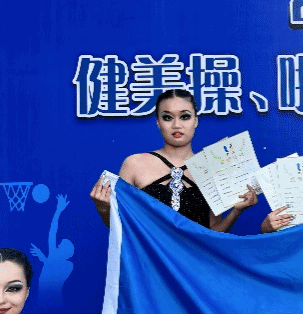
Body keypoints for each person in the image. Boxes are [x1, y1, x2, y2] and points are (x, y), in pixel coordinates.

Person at [89, 89, 256, 231]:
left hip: (193, 259)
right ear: (158, 122)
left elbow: (212, 234)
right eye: (167, 117)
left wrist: (236, 211)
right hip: (148, 259)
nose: (177, 125)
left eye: (185, 117)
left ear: (196, 121)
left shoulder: (210, 167)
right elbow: (121, 228)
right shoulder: (134, 164)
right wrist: (103, 208)